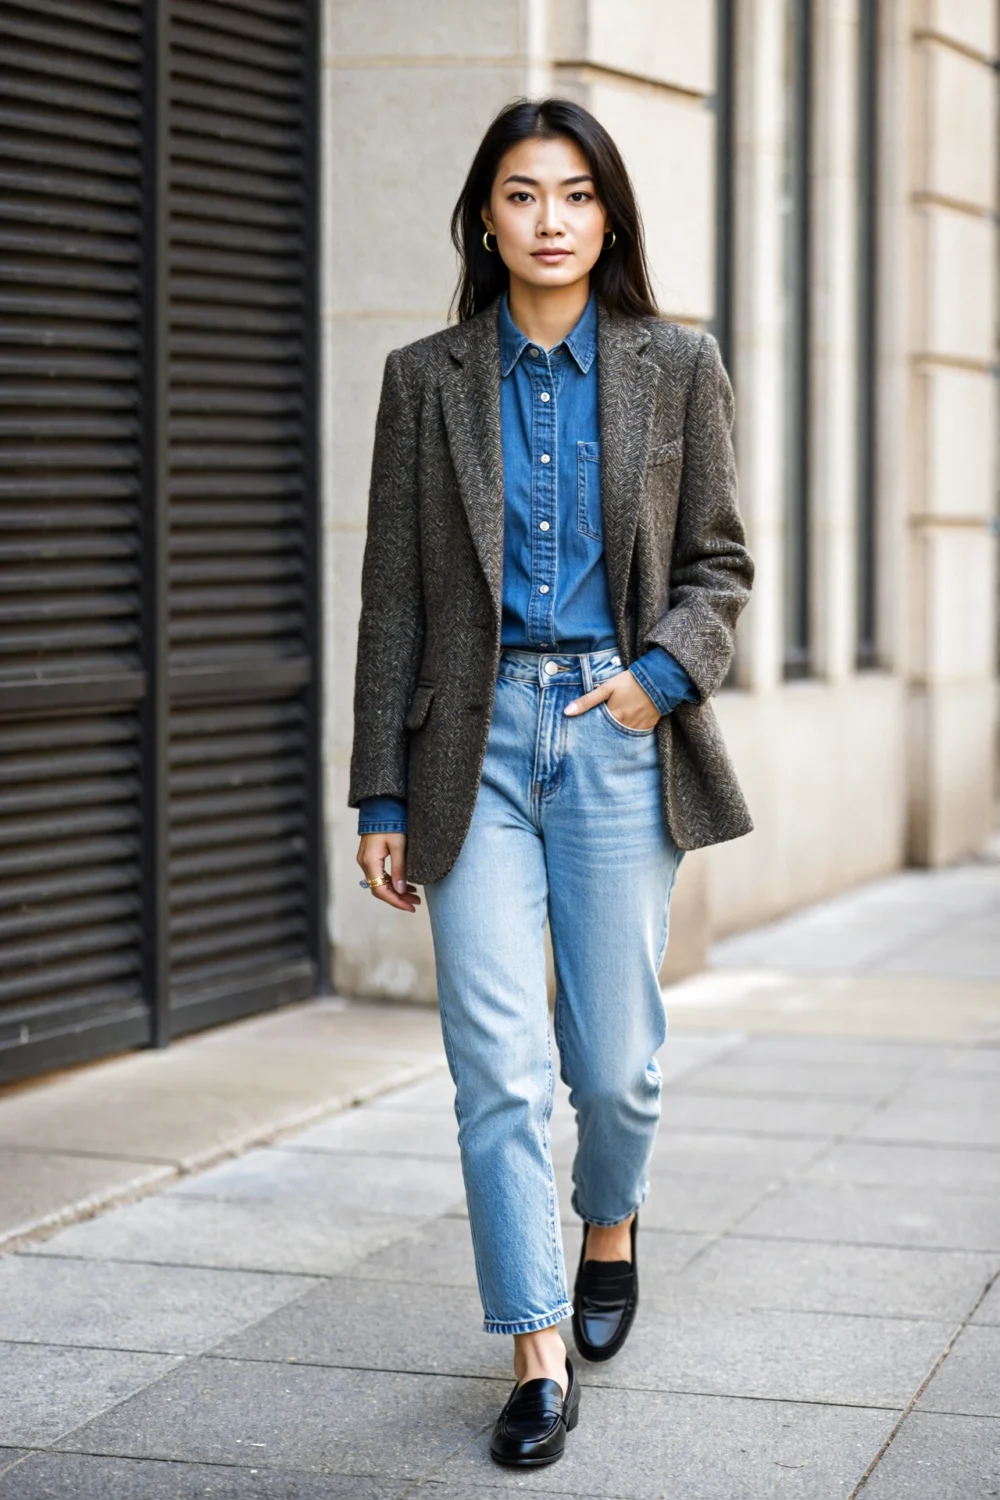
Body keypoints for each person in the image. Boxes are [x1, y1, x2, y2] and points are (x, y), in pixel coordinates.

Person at [349, 97, 754, 1469]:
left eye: (576, 195)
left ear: (610, 216)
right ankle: (533, 1355)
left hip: (616, 727)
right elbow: (391, 599)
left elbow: (721, 566)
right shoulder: (427, 380)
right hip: (473, 747)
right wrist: (381, 797)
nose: (551, 220)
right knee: (498, 1068)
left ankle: (612, 1222)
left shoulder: (675, 362)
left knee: (620, 1070)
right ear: (486, 217)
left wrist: (660, 677)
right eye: (523, 195)